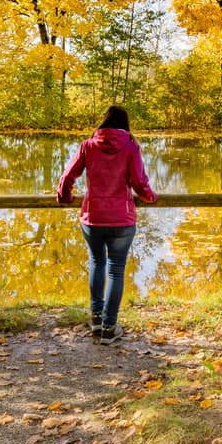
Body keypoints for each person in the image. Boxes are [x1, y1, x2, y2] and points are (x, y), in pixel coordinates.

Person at [55, 104, 157, 343]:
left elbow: (68, 175)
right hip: (121, 219)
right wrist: (151, 197)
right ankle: (110, 329)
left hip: (94, 217)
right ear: (125, 124)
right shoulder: (131, 147)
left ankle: (97, 320)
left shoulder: (88, 146)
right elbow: (140, 183)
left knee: (97, 263)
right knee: (115, 269)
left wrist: (64, 197)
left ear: (103, 122)